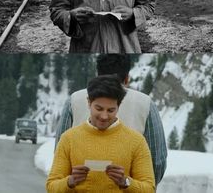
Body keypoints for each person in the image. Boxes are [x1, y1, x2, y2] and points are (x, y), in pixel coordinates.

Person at [55, 54, 167, 186]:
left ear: (97, 75)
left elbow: (59, 154)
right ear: (126, 78)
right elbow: (157, 161)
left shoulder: (74, 100)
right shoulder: (146, 103)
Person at [46, 74, 155, 193]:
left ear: (118, 106)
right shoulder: (69, 138)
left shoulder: (136, 141)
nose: (104, 116)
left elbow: (149, 189)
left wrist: (126, 182)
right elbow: (51, 186)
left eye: (111, 110)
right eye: (99, 108)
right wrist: (70, 181)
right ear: (89, 102)